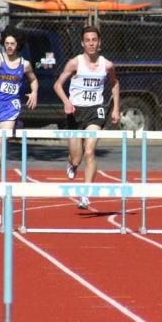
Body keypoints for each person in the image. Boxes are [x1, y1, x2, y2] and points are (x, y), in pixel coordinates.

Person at [53, 25, 120, 209]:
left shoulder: (107, 65)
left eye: (94, 40)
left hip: (95, 111)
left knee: (90, 150)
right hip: (75, 112)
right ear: (83, 43)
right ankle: (72, 164)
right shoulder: (75, 63)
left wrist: (115, 108)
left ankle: (85, 194)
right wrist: (67, 102)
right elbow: (58, 85)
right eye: (88, 40)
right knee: (77, 157)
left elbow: (114, 84)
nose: (91, 43)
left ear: (99, 43)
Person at [0, 27, 38, 195]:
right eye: (7, 43)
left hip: (10, 106)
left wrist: (34, 92)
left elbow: (33, 80)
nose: (9, 46)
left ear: (18, 44)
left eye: (12, 44)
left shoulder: (24, 65)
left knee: (2, 142)